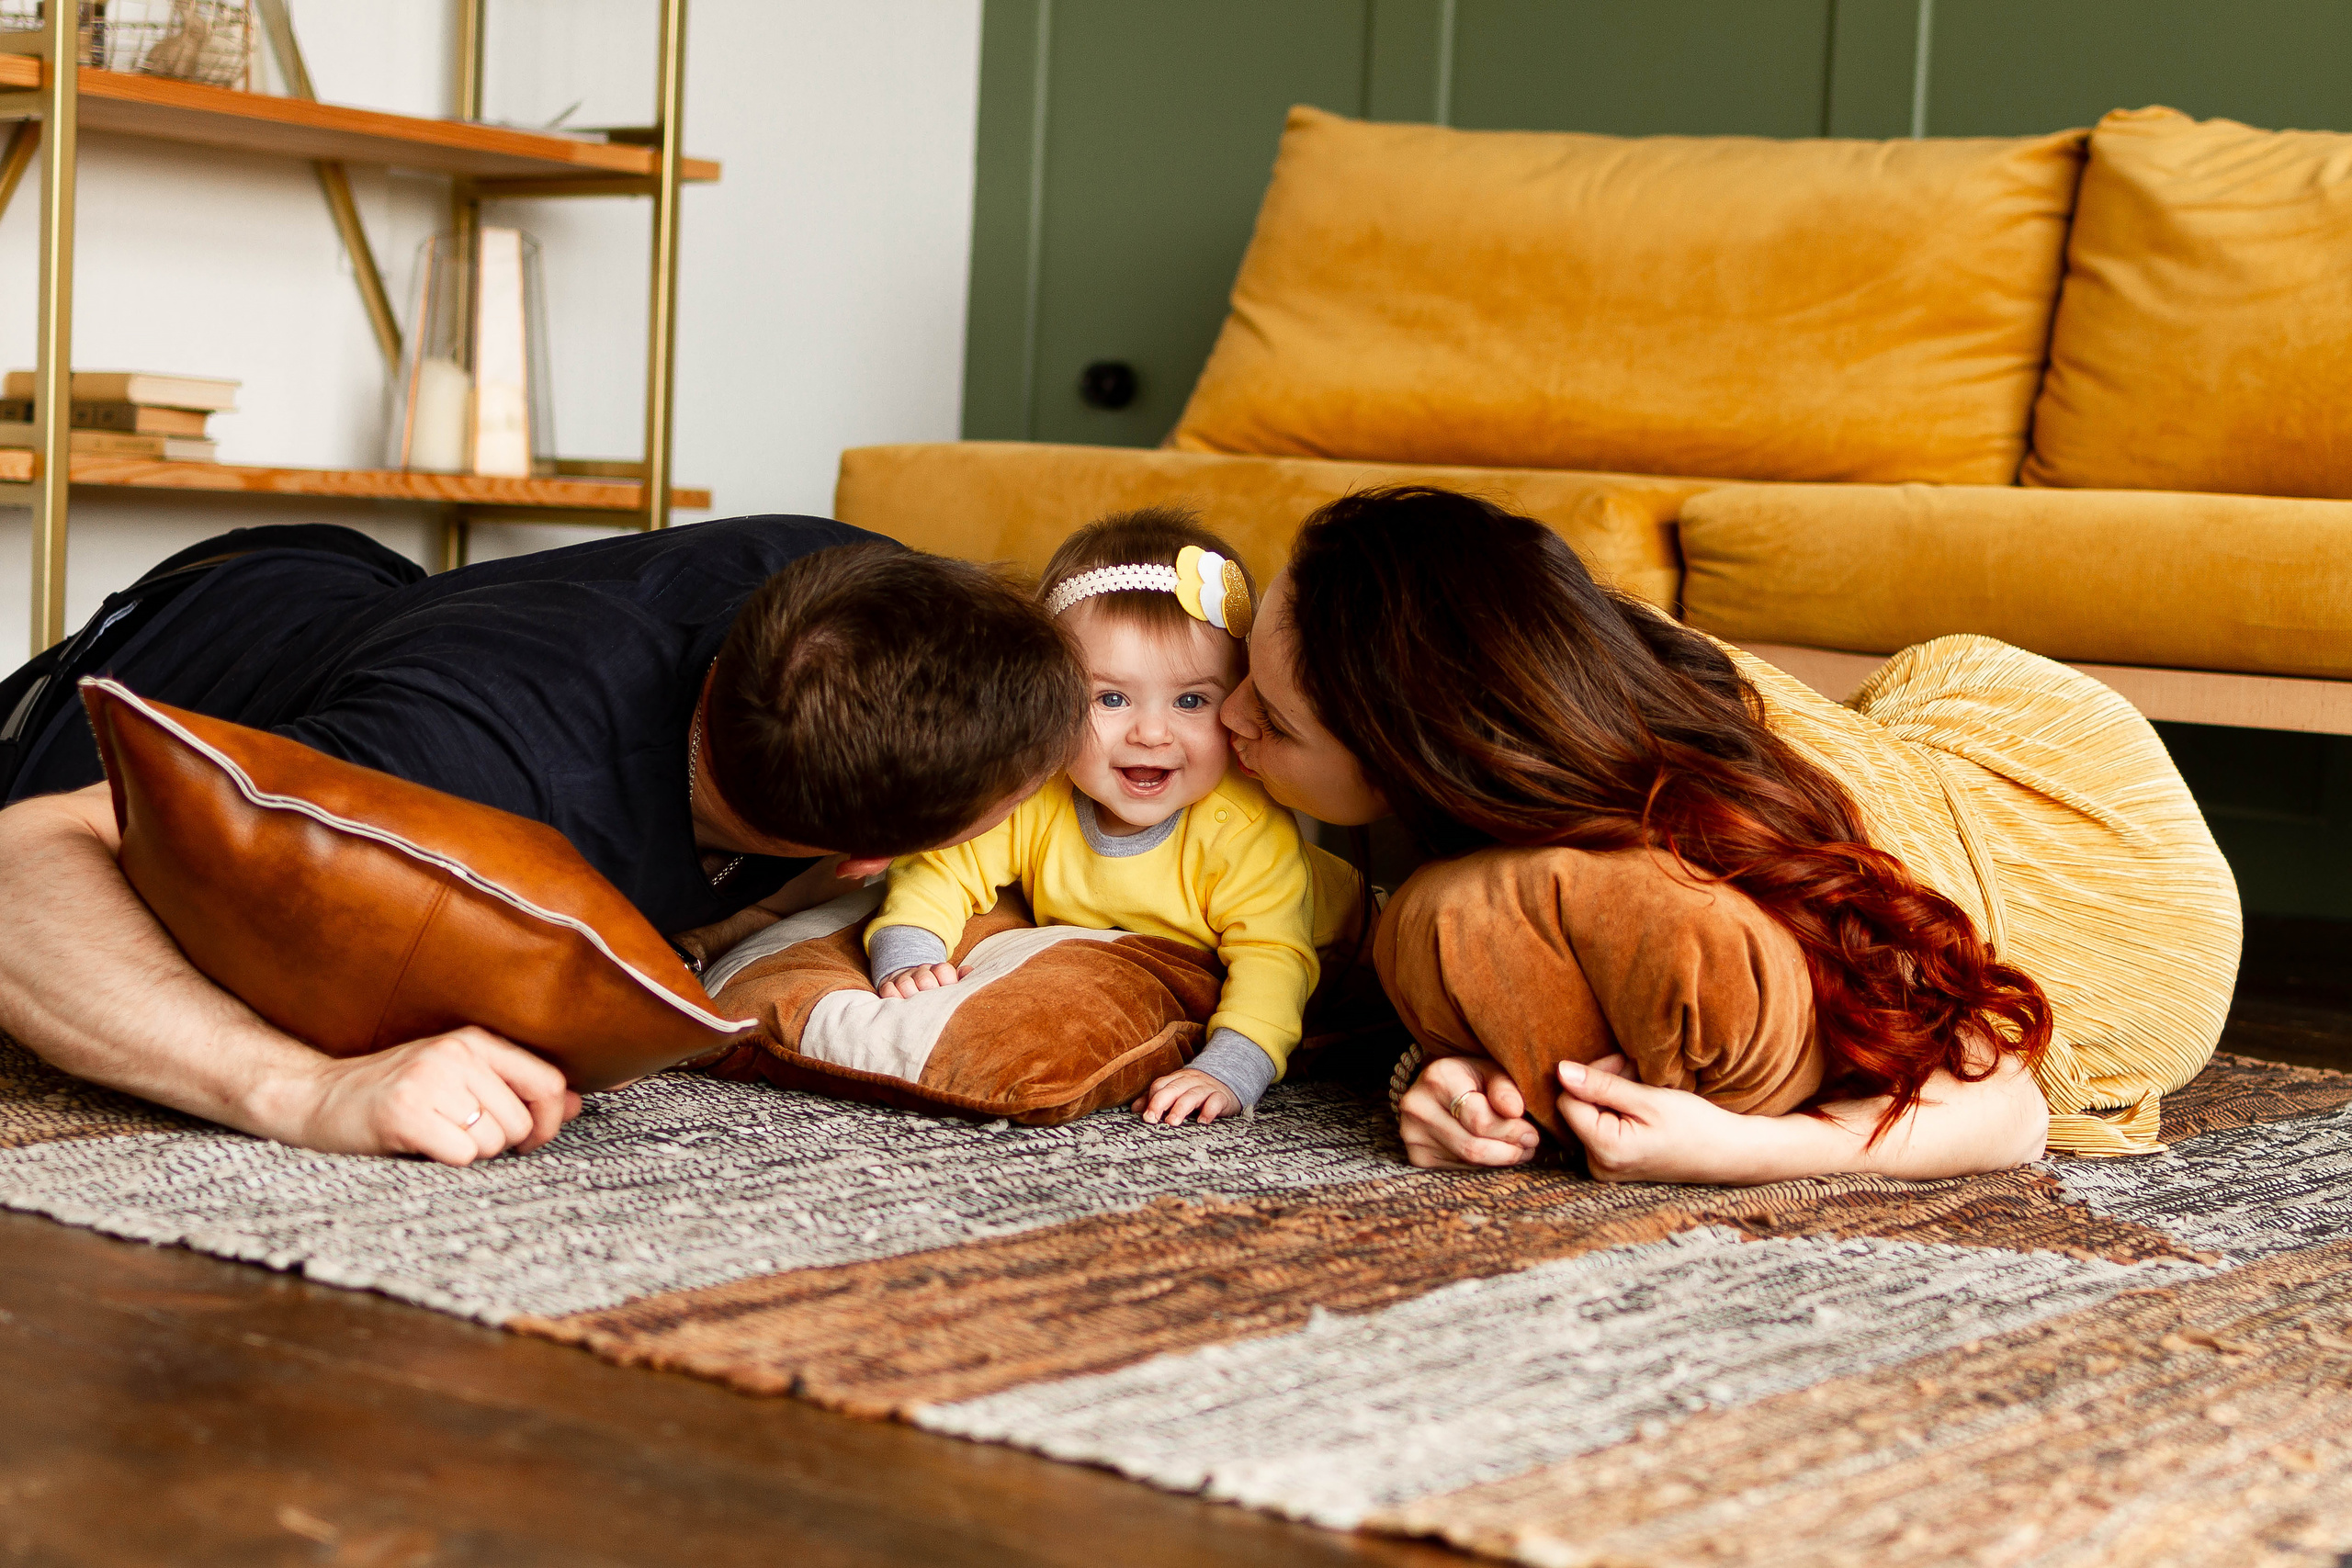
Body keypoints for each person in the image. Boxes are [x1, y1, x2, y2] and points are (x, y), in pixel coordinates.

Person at [1220, 487, 2242, 1185]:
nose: (1227, 721)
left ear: (1419, 754)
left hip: (2113, 872)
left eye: (1271, 717)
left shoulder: (1705, 844)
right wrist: (1446, 1075)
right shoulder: (1542, 717)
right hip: (1892, 741)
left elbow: (2005, 1107)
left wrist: (1741, 1147)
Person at [0, 517, 1082, 1167]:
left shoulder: (858, 597)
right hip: (149, 659)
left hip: (371, 594)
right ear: (861, 861)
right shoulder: (451, 774)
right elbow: (23, 859)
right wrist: (301, 1093)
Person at [865, 509, 1360, 1123]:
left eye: (1190, 700)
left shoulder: (1245, 828)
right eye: (1111, 698)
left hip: (1342, 946)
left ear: (1237, 698)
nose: (1150, 732)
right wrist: (910, 946)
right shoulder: (1037, 792)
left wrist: (1231, 1065)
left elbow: (1274, 959)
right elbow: (944, 862)